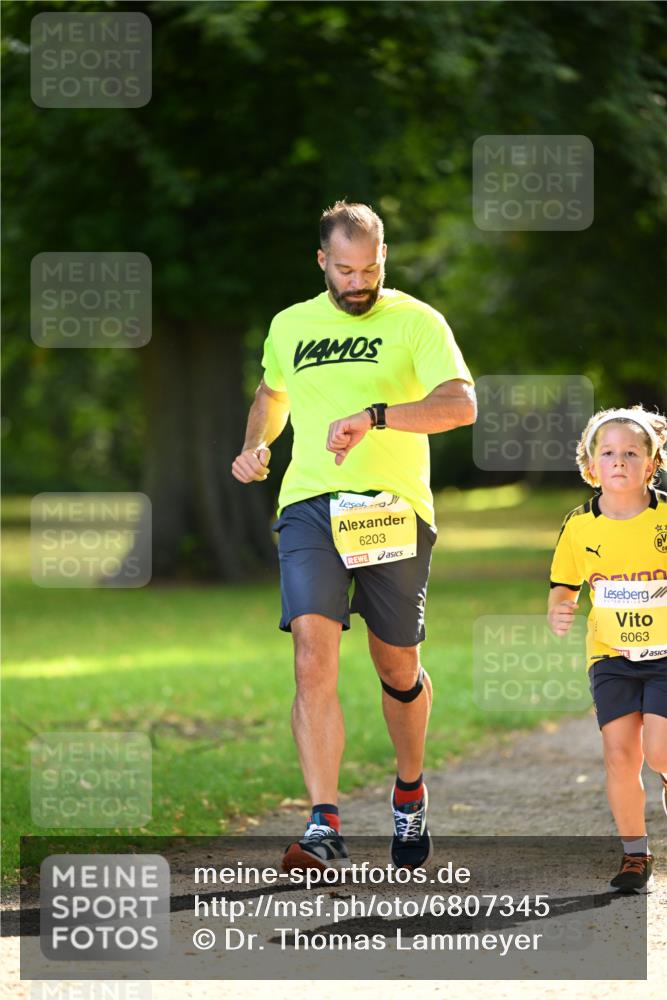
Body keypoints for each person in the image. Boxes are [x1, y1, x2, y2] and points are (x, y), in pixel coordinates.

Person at [231, 200, 476, 871]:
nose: (359, 282)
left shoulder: (416, 321)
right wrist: (255, 446)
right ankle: (323, 821)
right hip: (309, 505)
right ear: (322, 261)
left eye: (370, 269)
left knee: (396, 664)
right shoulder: (289, 324)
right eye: (345, 270)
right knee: (312, 653)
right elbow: (271, 394)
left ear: (383, 258)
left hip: (392, 509)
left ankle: (409, 788)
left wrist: (376, 416)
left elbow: (460, 405)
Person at [548, 405, 667, 892]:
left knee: (660, 751)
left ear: (651, 464)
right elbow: (564, 583)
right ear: (591, 466)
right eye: (609, 453)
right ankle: (635, 855)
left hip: (665, 654)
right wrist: (559, 608)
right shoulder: (580, 526)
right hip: (610, 655)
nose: (620, 461)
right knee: (619, 756)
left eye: (632, 453)